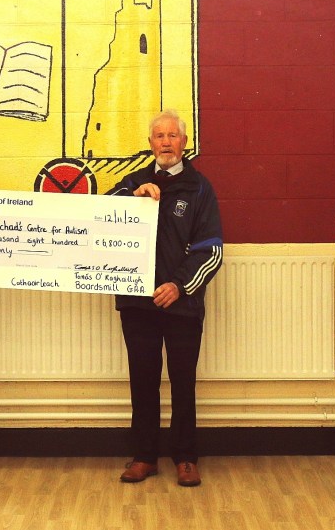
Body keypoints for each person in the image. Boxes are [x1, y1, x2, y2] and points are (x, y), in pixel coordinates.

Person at [108, 109, 223, 487]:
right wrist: (131, 196)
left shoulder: (200, 187)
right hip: (137, 303)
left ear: (184, 143)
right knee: (142, 380)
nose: (166, 142)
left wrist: (179, 285)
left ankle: (186, 457)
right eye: (159, 136)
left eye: (173, 135)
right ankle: (144, 457)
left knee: (183, 381)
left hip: (182, 305)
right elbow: (99, 216)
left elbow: (211, 250)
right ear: (150, 144)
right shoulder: (133, 182)